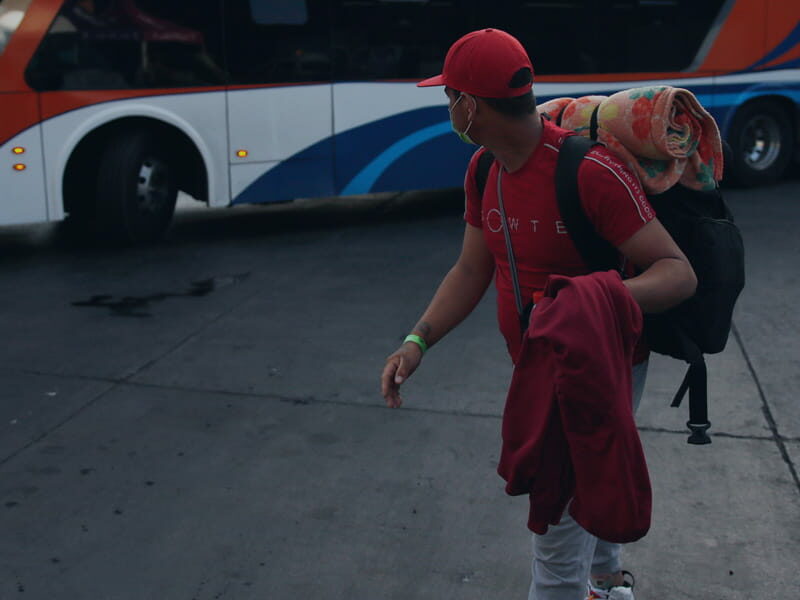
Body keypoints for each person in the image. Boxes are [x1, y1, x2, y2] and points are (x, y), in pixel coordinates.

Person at [379, 28, 697, 600]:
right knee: (586, 491)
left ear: (470, 105)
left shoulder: (591, 172)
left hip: (602, 368)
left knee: (555, 528)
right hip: (535, 369)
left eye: (449, 96)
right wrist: (417, 341)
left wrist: (592, 301)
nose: (448, 107)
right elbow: (472, 271)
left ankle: (586, 585)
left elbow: (677, 272)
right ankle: (608, 584)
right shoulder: (485, 170)